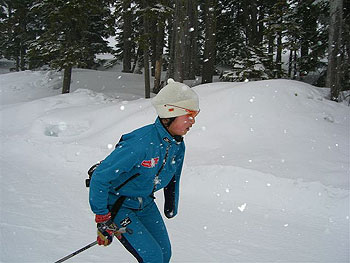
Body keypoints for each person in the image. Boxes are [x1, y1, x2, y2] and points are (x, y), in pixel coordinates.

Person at [89, 78, 200, 263]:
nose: (193, 121)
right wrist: (102, 218)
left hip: (145, 203)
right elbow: (100, 177)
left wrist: (171, 205)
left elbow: (174, 176)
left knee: (165, 254)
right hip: (120, 205)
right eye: (189, 115)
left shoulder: (177, 144)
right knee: (153, 258)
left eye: (196, 115)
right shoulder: (140, 143)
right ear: (169, 114)